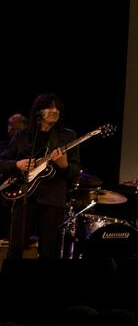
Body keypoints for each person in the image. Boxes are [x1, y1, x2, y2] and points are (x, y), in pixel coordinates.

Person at [0, 94, 80, 259]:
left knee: (48, 251)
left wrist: (64, 165)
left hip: (53, 200)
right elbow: (2, 160)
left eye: (57, 108)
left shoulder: (67, 136)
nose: (55, 110)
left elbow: (75, 168)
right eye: (50, 107)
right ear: (38, 111)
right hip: (24, 197)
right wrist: (17, 164)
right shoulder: (23, 136)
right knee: (15, 249)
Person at [0, 113, 29, 239]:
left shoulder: (27, 146)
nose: (14, 132)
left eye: (18, 129)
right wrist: (16, 164)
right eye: (11, 128)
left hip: (21, 196)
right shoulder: (2, 146)